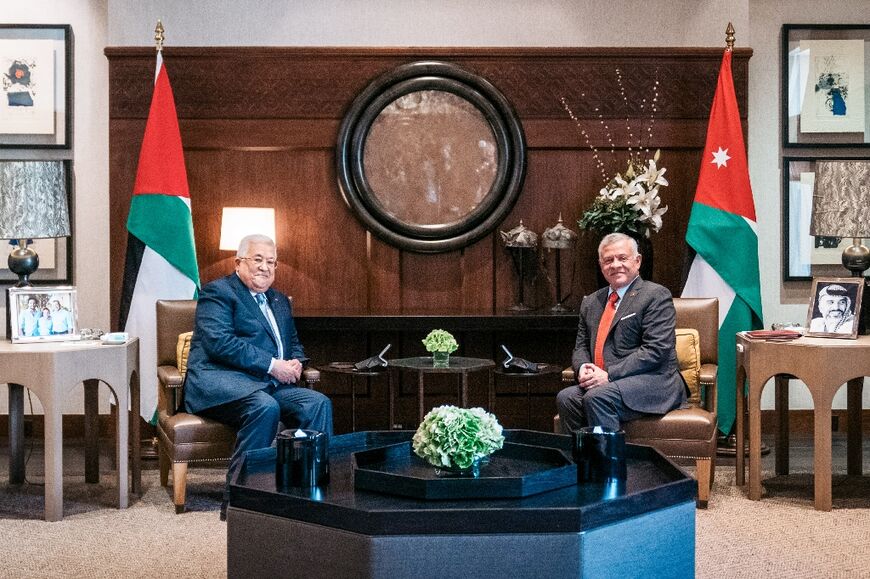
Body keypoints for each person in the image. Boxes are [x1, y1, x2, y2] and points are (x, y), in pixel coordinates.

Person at [183, 234, 333, 520]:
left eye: (272, 262)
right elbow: (220, 343)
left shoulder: (278, 300)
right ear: (238, 262)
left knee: (318, 403)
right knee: (264, 407)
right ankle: (242, 502)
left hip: (267, 384)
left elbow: (293, 344)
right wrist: (272, 365)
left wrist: (296, 363)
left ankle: (309, 497)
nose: (265, 267)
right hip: (221, 383)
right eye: (258, 260)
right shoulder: (218, 293)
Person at [556, 232, 686, 433]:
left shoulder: (656, 295)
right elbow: (581, 346)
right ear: (601, 266)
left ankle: (611, 464)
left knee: (597, 398)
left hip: (654, 381)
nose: (615, 265)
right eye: (608, 260)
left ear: (638, 261)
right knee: (566, 398)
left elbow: (655, 351)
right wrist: (582, 367)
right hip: (607, 383)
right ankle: (579, 464)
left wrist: (608, 375)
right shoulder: (591, 302)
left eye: (622, 258)